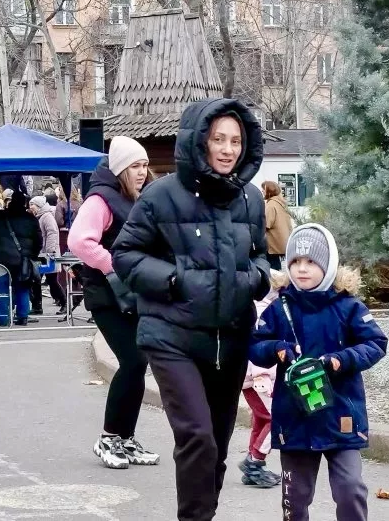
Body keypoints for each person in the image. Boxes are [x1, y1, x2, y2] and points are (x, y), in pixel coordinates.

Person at [111, 98, 272, 521]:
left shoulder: (251, 198)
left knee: (216, 443)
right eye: (218, 138)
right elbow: (125, 255)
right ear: (199, 141)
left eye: (235, 140)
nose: (227, 149)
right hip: (171, 336)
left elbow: (260, 257)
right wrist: (176, 279)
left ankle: (203, 514)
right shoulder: (161, 196)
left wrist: (255, 278)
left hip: (231, 338)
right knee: (197, 436)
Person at [249, 224, 388, 521]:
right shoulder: (279, 307)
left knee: (350, 489)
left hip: (341, 413)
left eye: (311, 262)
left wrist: (341, 360)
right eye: (295, 261)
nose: (302, 269)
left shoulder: (348, 306)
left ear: (328, 265)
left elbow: (376, 343)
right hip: (294, 418)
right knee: (295, 499)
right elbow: (255, 347)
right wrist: (277, 348)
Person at [69, 136, 159, 469]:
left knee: (139, 363)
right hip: (106, 295)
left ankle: (126, 438)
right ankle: (108, 438)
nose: (141, 171)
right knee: (133, 362)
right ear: (120, 168)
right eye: (135, 166)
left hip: (130, 295)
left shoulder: (134, 197)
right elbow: (79, 241)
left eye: (145, 165)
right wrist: (113, 265)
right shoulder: (102, 199)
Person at [240, 270, 285, 488]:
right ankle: (255, 460)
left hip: (255, 377)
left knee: (261, 418)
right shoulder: (261, 311)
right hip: (259, 377)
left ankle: (254, 463)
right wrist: (261, 374)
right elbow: (257, 344)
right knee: (275, 418)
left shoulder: (259, 307)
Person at [0, 190, 41, 326]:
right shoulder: (31, 219)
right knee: (23, 286)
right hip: (23, 259)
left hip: (2, 257)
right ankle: (23, 316)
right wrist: (32, 255)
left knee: (1, 287)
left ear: (10, 201)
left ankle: (2, 318)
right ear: (24, 203)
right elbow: (38, 240)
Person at [29, 195, 62, 315]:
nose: (30, 207)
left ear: (38, 205)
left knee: (51, 280)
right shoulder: (39, 217)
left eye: (32, 204)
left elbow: (52, 233)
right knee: (37, 280)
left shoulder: (46, 217)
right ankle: (37, 306)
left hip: (47, 254)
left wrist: (50, 251)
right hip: (42, 254)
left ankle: (63, 302)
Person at [262, 180, 294, 271]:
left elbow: (266, 224)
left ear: (269, 190)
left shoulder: (271, 205)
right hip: (281, 243)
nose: (262, 192)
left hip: (272, 245)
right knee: (276, 267)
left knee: (271, 269)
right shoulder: (281, 203)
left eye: (263, 189)